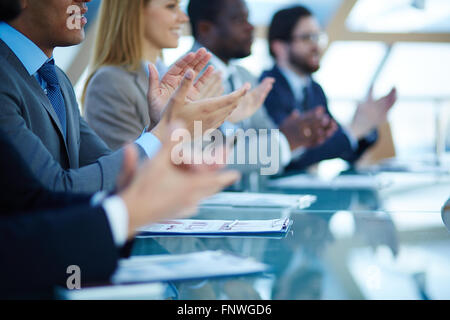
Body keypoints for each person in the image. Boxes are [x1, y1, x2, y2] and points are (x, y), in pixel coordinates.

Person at [0, 0, 247, 193]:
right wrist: (166, 132)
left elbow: (108, 171)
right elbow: (53, 189)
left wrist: (161, 127)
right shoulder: (10, 76)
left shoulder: (57, 80)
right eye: (171, 6)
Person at [187, 0, 337, 177]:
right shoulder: (187, 79)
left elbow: (267, 135)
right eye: (238, 20)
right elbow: (202, 157)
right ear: (205, 29)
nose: (250, 27)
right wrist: (285, 141)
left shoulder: (245, 77)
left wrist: (292, 137)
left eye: (248, 18)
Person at [262, 5, 398, 172]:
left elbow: (342, 146)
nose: (316, 46)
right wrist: (354, 131)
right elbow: (291, 154)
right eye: (306, 38)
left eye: (317, 37)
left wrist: (365, 127)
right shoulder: (265, 89)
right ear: (280, 47)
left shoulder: (314, 90)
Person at [83, 0, 227, 150]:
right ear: (135, 13)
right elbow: (124, 168)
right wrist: (188, 121)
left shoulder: (168, 75)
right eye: (171, 6)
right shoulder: (110, 83)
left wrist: (215, 119)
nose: (184, 18)